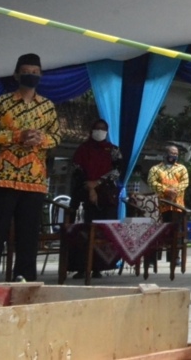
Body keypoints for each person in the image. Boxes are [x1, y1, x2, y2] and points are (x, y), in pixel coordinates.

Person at [0, 53, 62, 282]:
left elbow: (57, 137)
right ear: (16, 74)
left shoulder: (47, 106)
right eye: (26, 71)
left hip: (34, 180)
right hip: (3, 177)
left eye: (35, 72)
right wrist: (16, 136)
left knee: (28, 237)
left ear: (40, 75)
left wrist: (40, 139)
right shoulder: (1, 103)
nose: (30, 75)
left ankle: (25, 282)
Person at [69, 118, 125, 277]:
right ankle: (80, 267)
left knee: (103, 231)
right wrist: (89, 186)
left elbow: (117, 171)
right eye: (97, 128)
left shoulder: (113, 150)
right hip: (83, 195)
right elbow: (77, 170)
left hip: (106, 196)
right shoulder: (82, 149)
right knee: (82, 231)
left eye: (103, 129)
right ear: (91, 130)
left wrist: (98, 183)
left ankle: (99, 266)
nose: (100, 131)